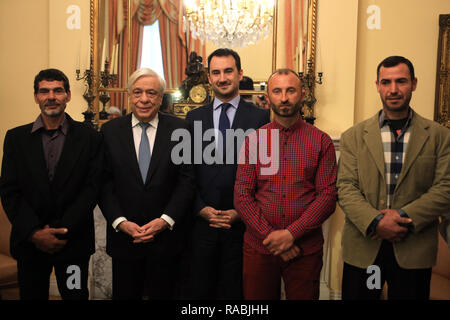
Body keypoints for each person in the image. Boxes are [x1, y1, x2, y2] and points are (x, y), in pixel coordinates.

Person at [337, 56, 450, 300]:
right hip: (364, 246)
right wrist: (376, 221)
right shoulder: (354, 136)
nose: (394, 89)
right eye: (386, 82)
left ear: (414, 83)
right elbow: (346, 187)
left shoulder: (440, 136)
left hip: (414, 249)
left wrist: (400, 217)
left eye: (401, 81)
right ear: (377, 85)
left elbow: (445, 188)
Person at [234, 68, 337, 300]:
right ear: (268, 97)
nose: (284, 98)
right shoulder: (254, 140)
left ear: (302, 94)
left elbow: (328, 196)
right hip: (259, 247)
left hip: (305, 249)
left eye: (290, 90)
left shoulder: (321, 141)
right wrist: (273, 237)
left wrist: (292, 234)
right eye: (277, 91)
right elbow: (242, 195)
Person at [0, 68, 102, 300]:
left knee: (75, 295)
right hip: (30, 245)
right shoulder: (15, 138)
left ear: (67, 95)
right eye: (44, 91)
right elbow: (9, 190)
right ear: (36, 96)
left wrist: (63, 231)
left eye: (57, 90)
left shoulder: (90, 137)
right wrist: (35, 232)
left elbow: (92, 188)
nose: (51, 96)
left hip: (74, 244)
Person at [99, 68, 195, 300]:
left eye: (151, 93)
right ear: (129, 95)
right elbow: (103, 182)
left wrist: (166, 220)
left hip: (167, 240)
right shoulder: (109, 131)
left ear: (161, 98)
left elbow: (187, 180)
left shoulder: (180, 130)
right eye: (138, 92)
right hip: (125, 238)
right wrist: (120, 222)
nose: (144, 99)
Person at [185, 48, 270, 299]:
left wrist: (241, 212)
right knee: (200, 293)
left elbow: (265, 174)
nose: (222, 78)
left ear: (240, 74)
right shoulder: (192, 118)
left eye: (228, 71)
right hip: (202, 223)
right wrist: (200, 208)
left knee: (236, 294)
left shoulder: (261, 118)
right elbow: (185, 171)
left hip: (244, 226)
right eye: (216, 73)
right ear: (209, 78)